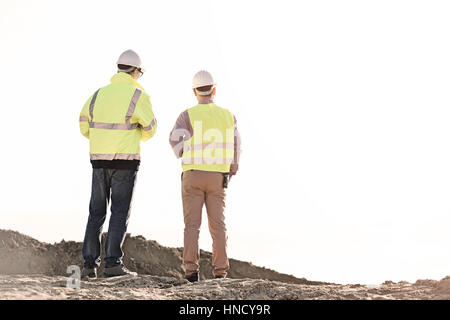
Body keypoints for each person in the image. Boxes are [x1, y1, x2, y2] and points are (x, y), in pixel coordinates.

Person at [79, 49, 157, 279]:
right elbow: (151, 128)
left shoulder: (97, 95)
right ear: (135, 71)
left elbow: (84, 127)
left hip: (98, 161)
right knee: (119, 212)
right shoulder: (138, 96)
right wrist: (134, 137)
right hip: (125, 161)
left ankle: (88, 266)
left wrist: (104, 140)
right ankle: (112, 264)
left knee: (96, 212)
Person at [169, 70, 241, 282]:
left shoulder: (187, 115)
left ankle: (191, 272)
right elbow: (236, 146)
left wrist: (184, 151)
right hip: (217, 177)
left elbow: (174, 140)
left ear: (194, 92)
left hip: (193, 175)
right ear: (214, 89)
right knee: (218, 226)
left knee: (192, 226)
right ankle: (220, 272)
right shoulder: (228, 116)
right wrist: (231, 169)